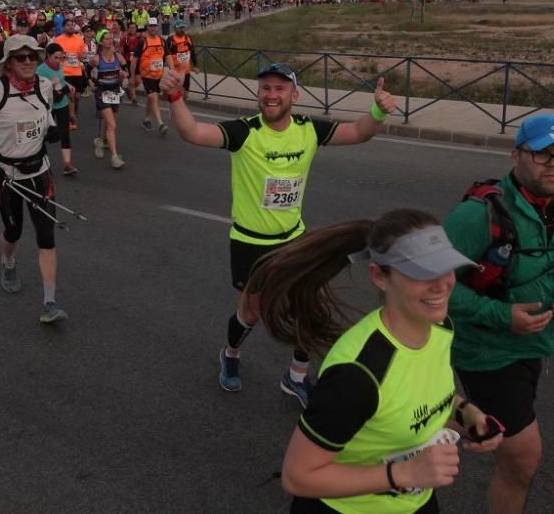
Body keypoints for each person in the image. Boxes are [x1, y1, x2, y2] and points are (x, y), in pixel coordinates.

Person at [159, 62, 396, 404]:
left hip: (294, 239)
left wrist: (378, 110)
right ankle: (231, 354)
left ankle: (295, 377)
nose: (272, 95)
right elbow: (192, 132)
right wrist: (175, 95)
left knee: (307, 307)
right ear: (259, 95)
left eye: (280, 88)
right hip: (250, 243)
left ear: (294, 95)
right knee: (252, 311)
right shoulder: (245, 131)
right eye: (266, 89)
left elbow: (359, 132)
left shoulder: (308, 130)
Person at [254, 209, 503, 514]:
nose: (441, 285)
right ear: (379, 277)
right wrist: (402, 474)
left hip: (415, 502)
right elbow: (297, 477)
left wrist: (468, 415)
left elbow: (418, 392)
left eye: (446, 267)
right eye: (422, 272)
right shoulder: (356, 375)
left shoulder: (439, 327)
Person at [441, 114, 554, 514]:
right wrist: (501, 315)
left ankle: (425, 414)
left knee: (510, 450)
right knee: (523, 459)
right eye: (542, 154)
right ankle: (421, 413)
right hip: (486, 350)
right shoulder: (478, 215)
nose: (553, 164)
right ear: (516, 155)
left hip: (534, 345)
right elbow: (428, 285)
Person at [0, 35, 67, 324]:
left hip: (40, 172)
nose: (29, 61)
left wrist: (52, 128)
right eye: (21, 57)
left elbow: (45, 115)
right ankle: (8, 262)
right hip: (6, 176)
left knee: (46, 235)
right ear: (9, 63)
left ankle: (50, 302)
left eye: (32, 56)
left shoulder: (44, 85)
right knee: (14, 231)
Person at [37, 42, 78, 176]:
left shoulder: (59, 66)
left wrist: (68, 85)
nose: (59, 61)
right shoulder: (40, 70)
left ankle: (67, 164)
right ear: (48, 55)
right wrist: (50, 84)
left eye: (61, 58)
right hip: (47, 106)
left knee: (65, 133)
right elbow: (36, 89)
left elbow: (60, 79)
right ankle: (41, 164)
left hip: (62, 103)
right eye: (56, 58)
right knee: (43, 135)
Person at [88, 28, 128, 169]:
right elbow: (88, 73)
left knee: (109, 122)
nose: (110, 41)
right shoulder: (96, 59)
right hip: (102, 93)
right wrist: (91, 84)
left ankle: (100, 141)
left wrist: (124, 75)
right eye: (106, 39)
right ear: (100, 41)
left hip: (114, 92)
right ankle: (114, 157)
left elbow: (125, 70)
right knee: (112, 125)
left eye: (111, 38)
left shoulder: (119, 56)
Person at [133, 18, 171, 135]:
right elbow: (134, 60)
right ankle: (160, 124)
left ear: (157, 27)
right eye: (151, 26)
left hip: (158, 74)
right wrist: (134, 76)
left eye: (155, 26)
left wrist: (173, 70)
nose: (153, 28)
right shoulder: (142, 41)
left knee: (151, 98)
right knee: (154, 97)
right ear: (147, 27)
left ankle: (146, 119)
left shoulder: (161, 40)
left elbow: (168, 56)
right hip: (146, 75)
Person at [53, 19, 89, 131]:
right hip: (64, 72)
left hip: (77, 71)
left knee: (77, 96)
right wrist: (63, 57)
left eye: (72, 25)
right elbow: (54, 55)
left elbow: (82, 56)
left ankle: (73, 111)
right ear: (63, 27)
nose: (70, 27)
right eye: (68, 25)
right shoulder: (58, 40)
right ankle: (71, 118)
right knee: (70, 95)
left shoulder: (79, 40)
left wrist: (82, 56)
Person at [165, 19, 199, 100]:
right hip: (175, 72)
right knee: (177, 94)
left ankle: (180, 105)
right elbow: (165, 55)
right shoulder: (170, 40)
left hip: (186, 71)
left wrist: (196, 66)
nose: (182, 30)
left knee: (185, 95)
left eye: (183, 27)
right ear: (175, 29)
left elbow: (193, 53)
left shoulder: (188, 38)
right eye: (180, 28)